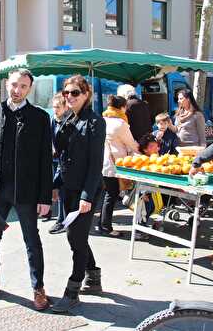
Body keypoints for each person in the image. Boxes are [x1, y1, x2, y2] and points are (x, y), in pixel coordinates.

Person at [0, 69, 52, 310]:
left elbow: (45, 161)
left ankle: (38, 289)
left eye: (23, 86)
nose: (17, 90)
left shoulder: (39, 117)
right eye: (15, 85)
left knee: (32, 241)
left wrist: (45, 197)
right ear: (8, 84)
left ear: (30, 89)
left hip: (26, 191)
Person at [51, 75, 106, 313]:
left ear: (86, 95)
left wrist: (86, 196)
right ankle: (93, 276)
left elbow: (95, 165)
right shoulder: (68, 119)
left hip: (88, 189)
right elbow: (60, 153)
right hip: (68, 188)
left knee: (77, 238)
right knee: (75, 236)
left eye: (74, 93)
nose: (69, 97)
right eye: (66, 93)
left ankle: (72, 291)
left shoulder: (95, 122)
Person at [99, 95, 138, 237]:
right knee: (111, 194)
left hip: (103, 162)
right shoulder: (120, 123)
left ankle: (103, 224)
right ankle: (105, 227)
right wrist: (143, 151)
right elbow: (131, 143)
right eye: (125, 107)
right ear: (121, 107)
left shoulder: (102, 119)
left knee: (109, 193)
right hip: (115, 164)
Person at [49, 92, 70, 234]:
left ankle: (62, 221)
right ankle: (61, 219)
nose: (54, 110)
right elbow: (50, 137)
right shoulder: (53, 119)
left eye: (57, 107)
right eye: (53, 107)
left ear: (65, 107)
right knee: (57, 189)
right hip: (55, 159)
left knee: (62, 190)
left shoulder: (68, 122)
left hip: (65, 161)